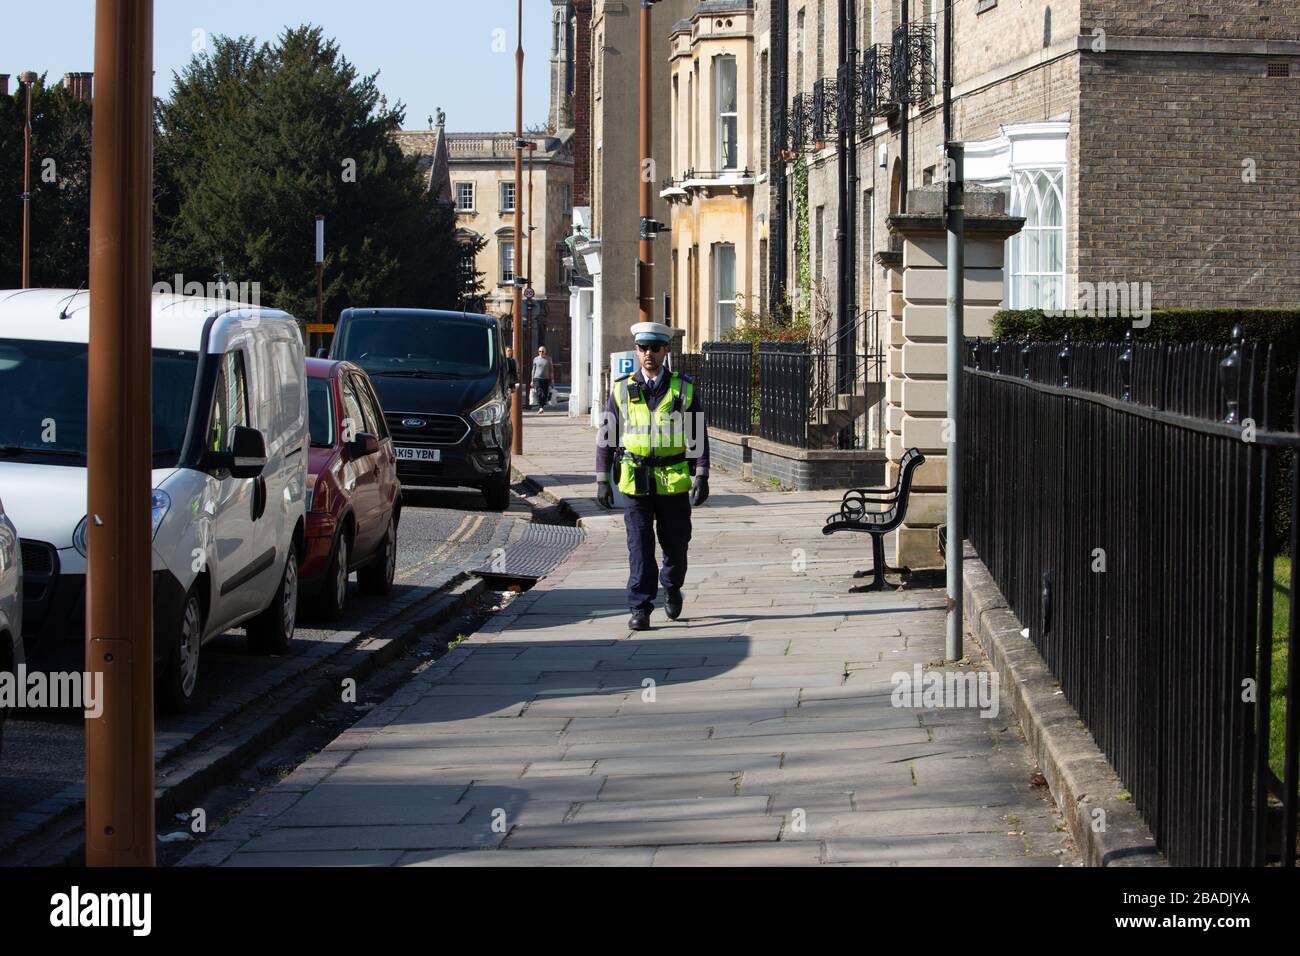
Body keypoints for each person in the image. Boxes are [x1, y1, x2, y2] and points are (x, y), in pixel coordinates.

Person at [596, 322, 709, 630]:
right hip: (635, 480)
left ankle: (671, 586)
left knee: (676, 544)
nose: (649, 354)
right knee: (640, 547)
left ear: (665, 351)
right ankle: (640, 607)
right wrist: (602, 480)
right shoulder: (621, 389)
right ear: (636, 350)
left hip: (673, 480)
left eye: (655, 348)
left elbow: (698, 435)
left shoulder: (683, 388)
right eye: (643, 348)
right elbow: (606, 438)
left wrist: (701, 475)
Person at [531, 346, 554, 414]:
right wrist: (532, 380)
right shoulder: (535, 359)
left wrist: (552, 379)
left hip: (546, 379)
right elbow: (533, 370)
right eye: (539, 351)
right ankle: (540, 407)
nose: (541, 353)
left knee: (545, 394)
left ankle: (542, 406)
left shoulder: (548, 359)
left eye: (542, 351)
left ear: (545, 352)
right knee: (539, 392)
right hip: (537, 378)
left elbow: (551, 370)